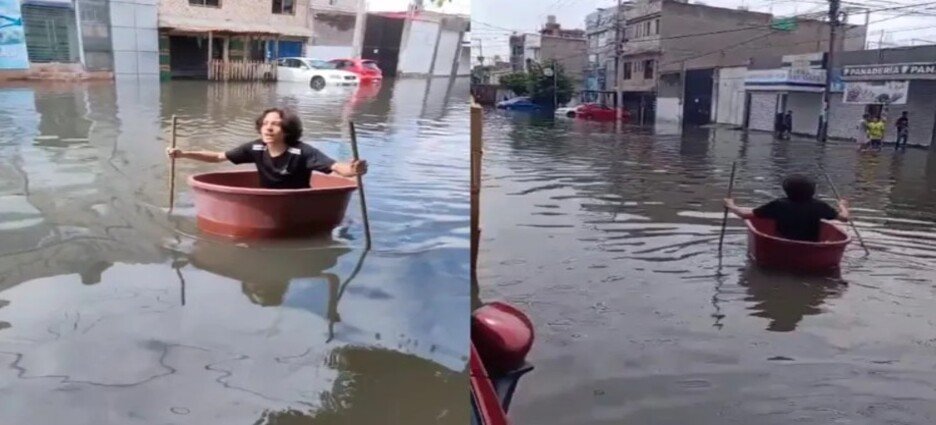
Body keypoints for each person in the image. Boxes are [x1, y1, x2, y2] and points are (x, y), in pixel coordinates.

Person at [166, 108, 367, 189]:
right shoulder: (256, 148)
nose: (268, 128)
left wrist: (354, 170)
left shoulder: (302, 152)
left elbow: (338, 168)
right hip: (267, 202)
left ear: (287, 130)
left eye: (275, 124)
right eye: (265, 123)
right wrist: (184, 154)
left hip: (297, 205)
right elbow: (218, 157)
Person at [723, 175, 850, 242]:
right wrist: (842, 206)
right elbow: (844, 218)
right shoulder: (819, 206)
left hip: (782, 245)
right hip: (811, 246)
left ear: (787, 191)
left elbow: (744, 215)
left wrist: (731, 205)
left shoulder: (779, 204)